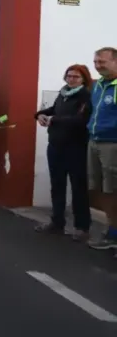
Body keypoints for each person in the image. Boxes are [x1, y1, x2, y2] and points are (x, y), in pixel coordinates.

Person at [34, 64, 92, 241]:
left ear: (83, 79)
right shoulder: (63, 93)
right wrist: (40, 115)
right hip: (56, 146)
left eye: (76, 77)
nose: (71, 79)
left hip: (75, 147)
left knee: (78, 188)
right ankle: (57, 222)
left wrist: (54, 120)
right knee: (57, 185)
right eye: (69, 76)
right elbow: (53, 110)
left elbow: (80, 120)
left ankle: (82, 226)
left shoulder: (86, 96)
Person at [86, 47, 117, 253]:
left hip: (112, 144)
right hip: (95, 142)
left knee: (113, 190)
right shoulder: (98, 86)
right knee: (102, 190)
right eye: (96, 62)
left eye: (102, 62)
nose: (97, 66)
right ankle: (112, 231)